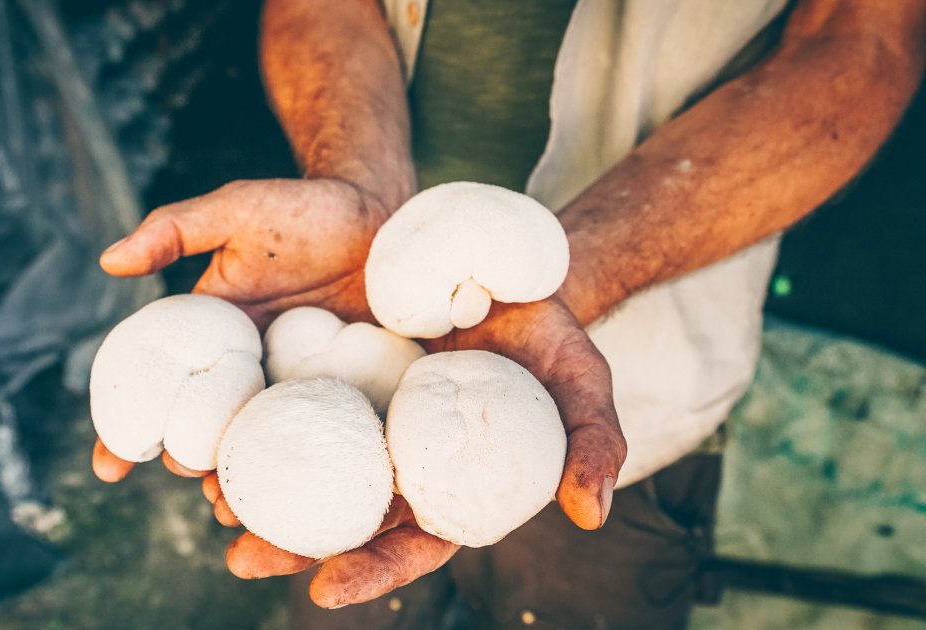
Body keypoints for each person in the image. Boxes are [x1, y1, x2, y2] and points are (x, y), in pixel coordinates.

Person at [91, 0, 926, 627]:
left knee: (584, 585)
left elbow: (861, 39)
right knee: (343, 582)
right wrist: (354, 170)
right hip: (353, 286)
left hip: (634, 383)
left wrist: (581, 269)